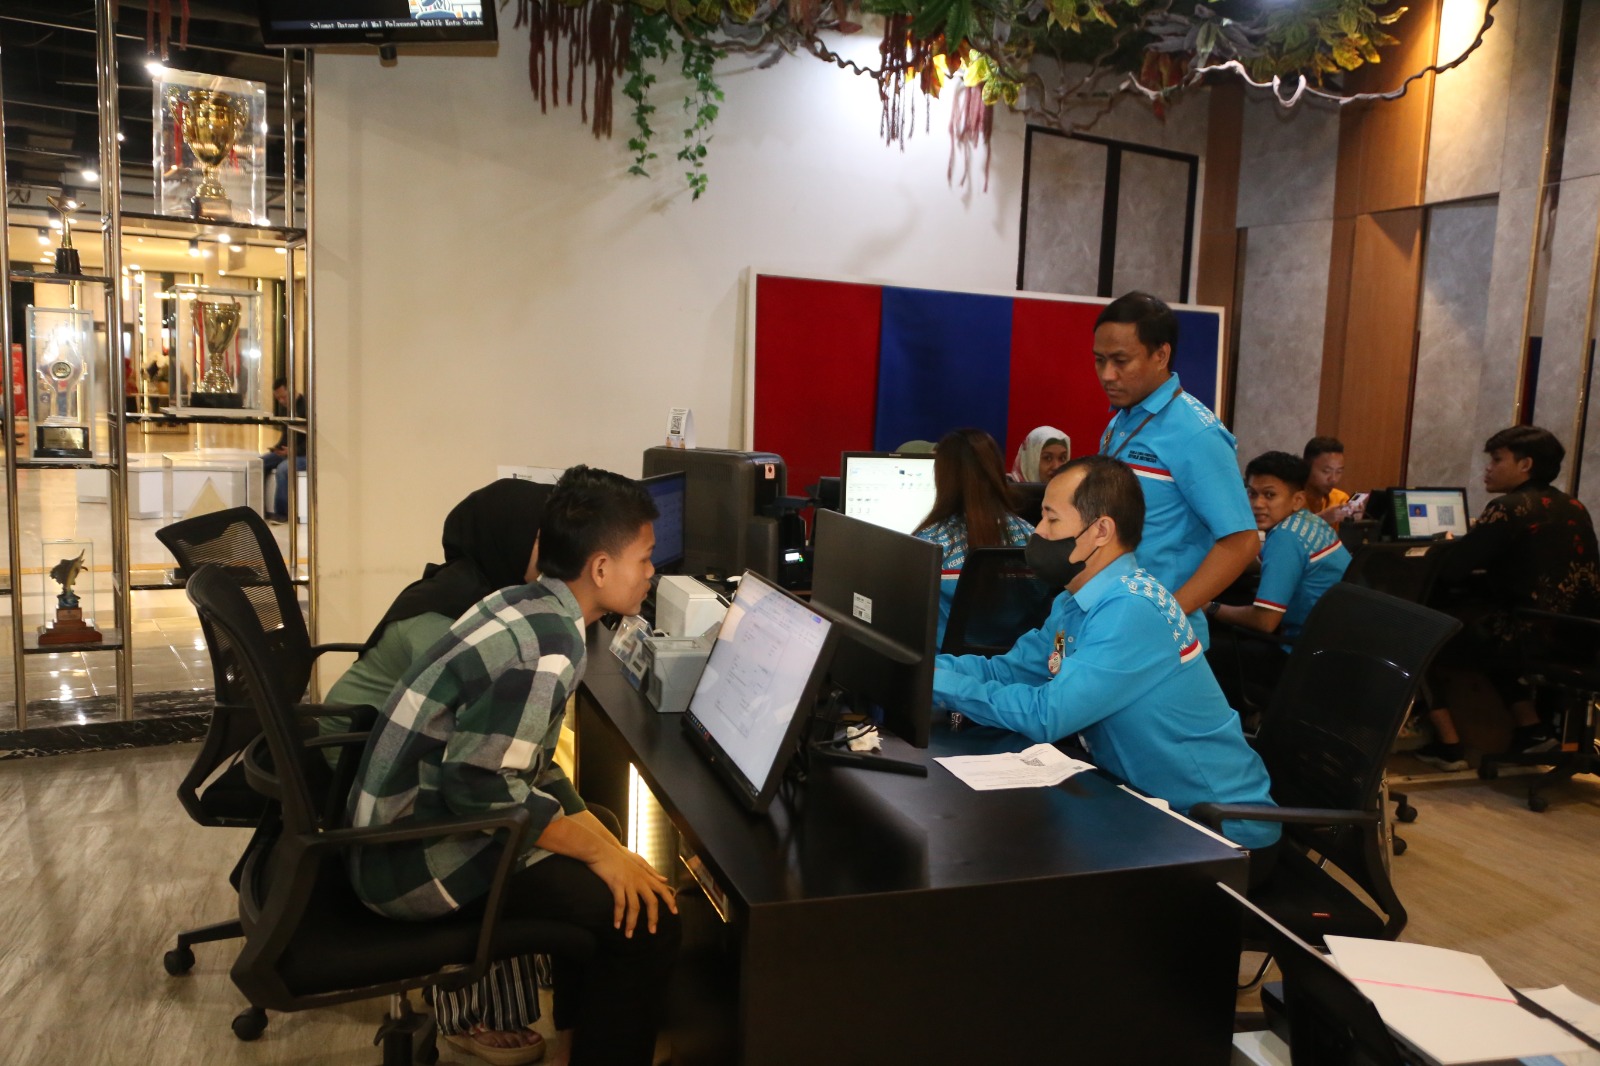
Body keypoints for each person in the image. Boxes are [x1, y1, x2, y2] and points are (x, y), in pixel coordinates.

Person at [347, 465, 679, 1066]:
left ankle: (579, 1045)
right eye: (645, 559)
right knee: (646, 922)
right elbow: (480, 789)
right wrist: (603, 855)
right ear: (600, 568)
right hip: (410, 860)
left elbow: (530, 764)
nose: (652, 572)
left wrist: (606, 845)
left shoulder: (523, 601)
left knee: (604, 829)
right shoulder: (547, 648)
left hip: (399, 829)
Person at [932, 456, 1281, 885]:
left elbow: (1047, 715)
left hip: (1216, 831)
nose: (1039, 532)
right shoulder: (1077, 600)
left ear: (1100, 531)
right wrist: (925, 668)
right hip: (1145, 805)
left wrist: (939, 683)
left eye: (1051, 519)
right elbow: (1011, 671)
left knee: (1014, 866)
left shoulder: (1130, 609)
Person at [1415, 427, 1600, 771]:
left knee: (1421, 630)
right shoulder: (1574, 506)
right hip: (1578, 635)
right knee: (1492, 627)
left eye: (1497, 460)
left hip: (1527, 635)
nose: (1488, 468)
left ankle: (1448, 746)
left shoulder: (1506, 508)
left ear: (1525, 464)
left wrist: (1450, 544)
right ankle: (1532, 729)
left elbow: (1453, 570)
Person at [1093, 292, 1257, 647]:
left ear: (1160, 355)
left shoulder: (1196, 433)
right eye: (1099, 360)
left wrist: (1169, 613)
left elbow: (1241, 541)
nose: (1107, 375)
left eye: (1121, 361)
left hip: (1159, 634)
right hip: (1112, 613)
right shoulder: (1120, 421)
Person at [1205, 452, 1350, 716]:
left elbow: (1265, 621)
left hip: (1297, 656)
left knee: (1198, 650)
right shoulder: (1308, 523)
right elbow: (1259, 563)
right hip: (1331, 650)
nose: (1257, 504)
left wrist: (1210, 607)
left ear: (1297, 500)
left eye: (1269, 495)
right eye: (1252, 494)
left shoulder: (1285, 538)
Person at [914, 428, 1034, 648]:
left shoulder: (928, 544)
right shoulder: (1031, 536)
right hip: (1017, 662)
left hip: (944, 665)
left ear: (943, 478)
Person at [262, 377, 307, 520]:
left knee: (284, 468)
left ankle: (282, 513)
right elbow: (286, 436)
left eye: (283, 397)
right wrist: (277, 448)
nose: (281, 401)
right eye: (278, 398)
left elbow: (312, 440)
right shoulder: (285, 409)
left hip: (305, 454)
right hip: (290, 451)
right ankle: (258, 506)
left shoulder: (307, 407)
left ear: (292, 390)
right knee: (259, 463)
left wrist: (293, 451)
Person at [1302, 436, 1357, 526]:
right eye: (1326, 471)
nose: (1333, 479)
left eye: (1339, 471)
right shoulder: (1292, 499)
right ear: (1307, 467)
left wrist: (1357, 521)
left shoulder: (1340, 499)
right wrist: (1322, 518)